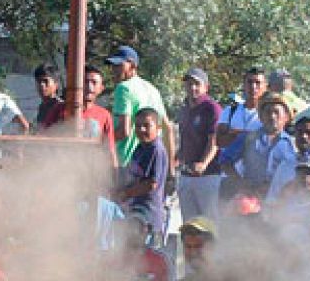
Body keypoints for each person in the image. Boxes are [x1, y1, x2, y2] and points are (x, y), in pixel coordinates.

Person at [114, 109, 169, 246]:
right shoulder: (140, 147)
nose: (141, 129)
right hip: (135, 210)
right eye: (137, 126)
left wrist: (124, 194)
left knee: (145, 257)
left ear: (158, 128)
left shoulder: (155, 149)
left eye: (146, 125)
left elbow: (151, 184)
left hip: (149, 215)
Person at [106, 45, 167, 164]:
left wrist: (100, 143)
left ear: (133, 66)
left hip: (126, 162)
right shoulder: (153, 89)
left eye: (119, 65)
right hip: (150, 161)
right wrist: (170, 169)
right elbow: (167, 128)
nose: (114, 69)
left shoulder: (123, 88)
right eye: (113, 65)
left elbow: (124, 131)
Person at [176, 68, 222, 221]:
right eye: (189, 84)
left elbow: (214, 140)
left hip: (208, 176)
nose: (192, 88)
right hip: (186, 175)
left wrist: (203, 163)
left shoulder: (211, 108)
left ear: (206, 87)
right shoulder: (185, 109)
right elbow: (183, 139)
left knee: (209, 224)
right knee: (189, 225)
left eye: (197, 84)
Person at [240, 92, 298, 201]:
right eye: (267, 112)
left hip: (281, 201)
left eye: (276, 112)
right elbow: (226, 162)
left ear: (286, 116)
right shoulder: (248, 138)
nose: (272, 116)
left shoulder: (294, 145)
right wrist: (242, 184)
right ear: (261, 117)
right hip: (252, 198)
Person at [59, 64, 117, 166]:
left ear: (101, 88)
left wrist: (115, 176)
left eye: (94, 83)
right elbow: (45, 138)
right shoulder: (60, 109)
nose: (89, 86)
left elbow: (110, 149)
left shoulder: (104, 115)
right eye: (85, 82)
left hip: (92, 170)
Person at [216, 67, 267, 179]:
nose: (253, 87)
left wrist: (234, 133)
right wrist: (248, 135)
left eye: (257, 83)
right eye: (249, 82)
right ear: (243, 85)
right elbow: (219, 141)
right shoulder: (230, 111)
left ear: (265, 86)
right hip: (228, 177)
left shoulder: (268, 114)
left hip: (255, 177)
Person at [33, 64, 65, 130]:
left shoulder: (61, 107)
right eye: (39, 81)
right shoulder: (42, 107)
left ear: (56, 84)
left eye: (45, 81)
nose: (41, 85)